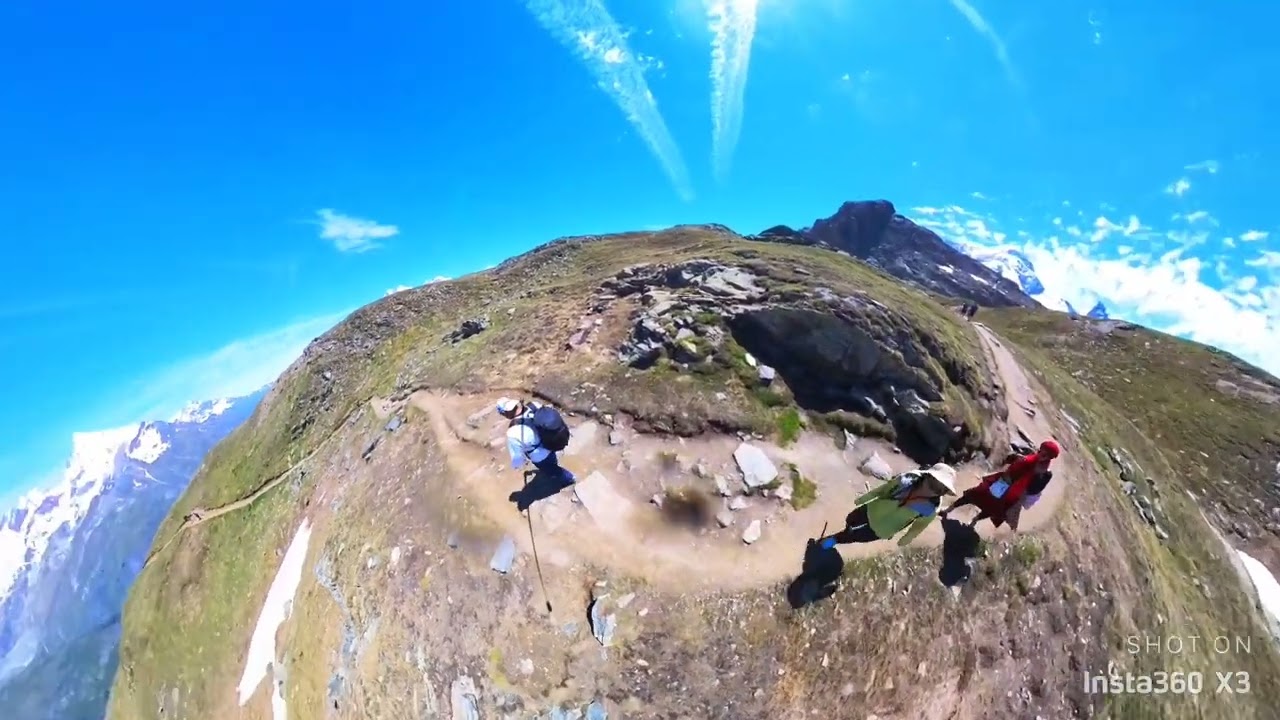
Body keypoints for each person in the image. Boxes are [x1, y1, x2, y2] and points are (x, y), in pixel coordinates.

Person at [816, 463, 958, 549]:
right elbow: (883, 490)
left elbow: (918, 527)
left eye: (941, 490)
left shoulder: (931, 510)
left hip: (882, 530)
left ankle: (833, 541)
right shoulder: (905, 480)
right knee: (850, 519)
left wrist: (905, 540)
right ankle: (846, 530)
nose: (934, 492)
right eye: (934, 485)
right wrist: (863, 499)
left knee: (852, 537)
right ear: (927, 476)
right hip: (871, 510)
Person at [940, 439, 1060, 529]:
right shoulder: (1036, 460)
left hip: (1009, 487)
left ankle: (972, 520)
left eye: (1045, 454)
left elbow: (1032, 484)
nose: (1041, 454)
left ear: (1049, 456)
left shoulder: (1041, 470)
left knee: (988, 502)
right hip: (1005, 483)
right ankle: (950, 510)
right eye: (1041, 451)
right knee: (977, 494)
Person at [496, 397, 575, 487]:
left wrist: (516, 465)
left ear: (504, 413)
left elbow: (517, 459)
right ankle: (556, 465)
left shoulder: (513, 432)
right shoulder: (534, 405)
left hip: (540, 455)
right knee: (552, 460)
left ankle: (570, 478)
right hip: (552, 440)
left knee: (552, 469)